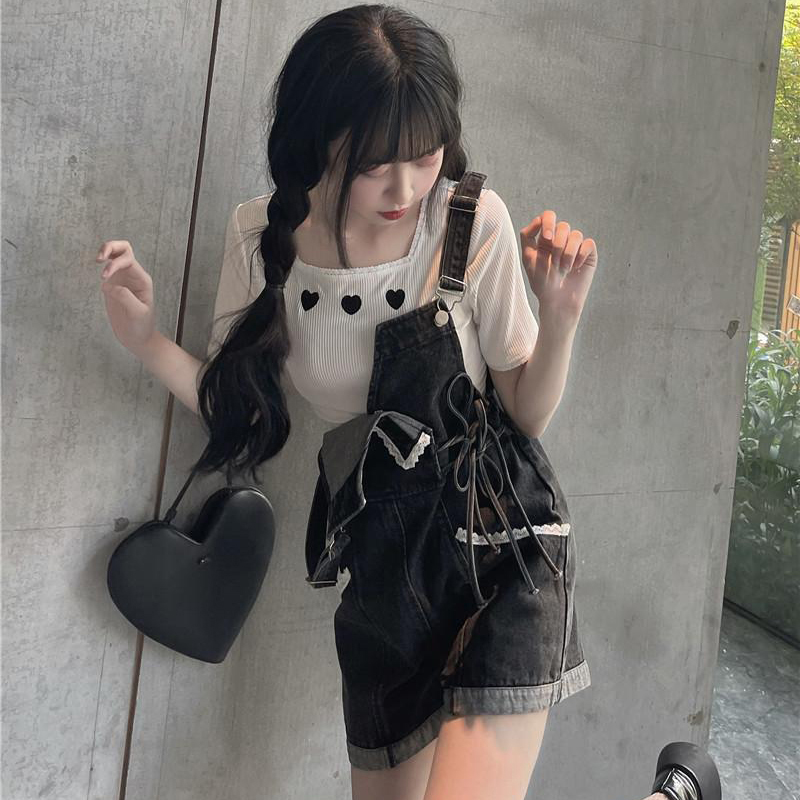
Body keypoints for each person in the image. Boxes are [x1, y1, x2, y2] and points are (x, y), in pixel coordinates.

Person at [94, 5, 719, 800]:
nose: (406, 188)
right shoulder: (261, 239)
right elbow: (241, 409)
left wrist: (560, 316)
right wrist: (146, 339)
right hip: (382, 565)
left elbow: (525, 415)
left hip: (499, 545)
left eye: (425, 158)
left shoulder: (469, 222)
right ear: (318, 139)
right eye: (375, 165)